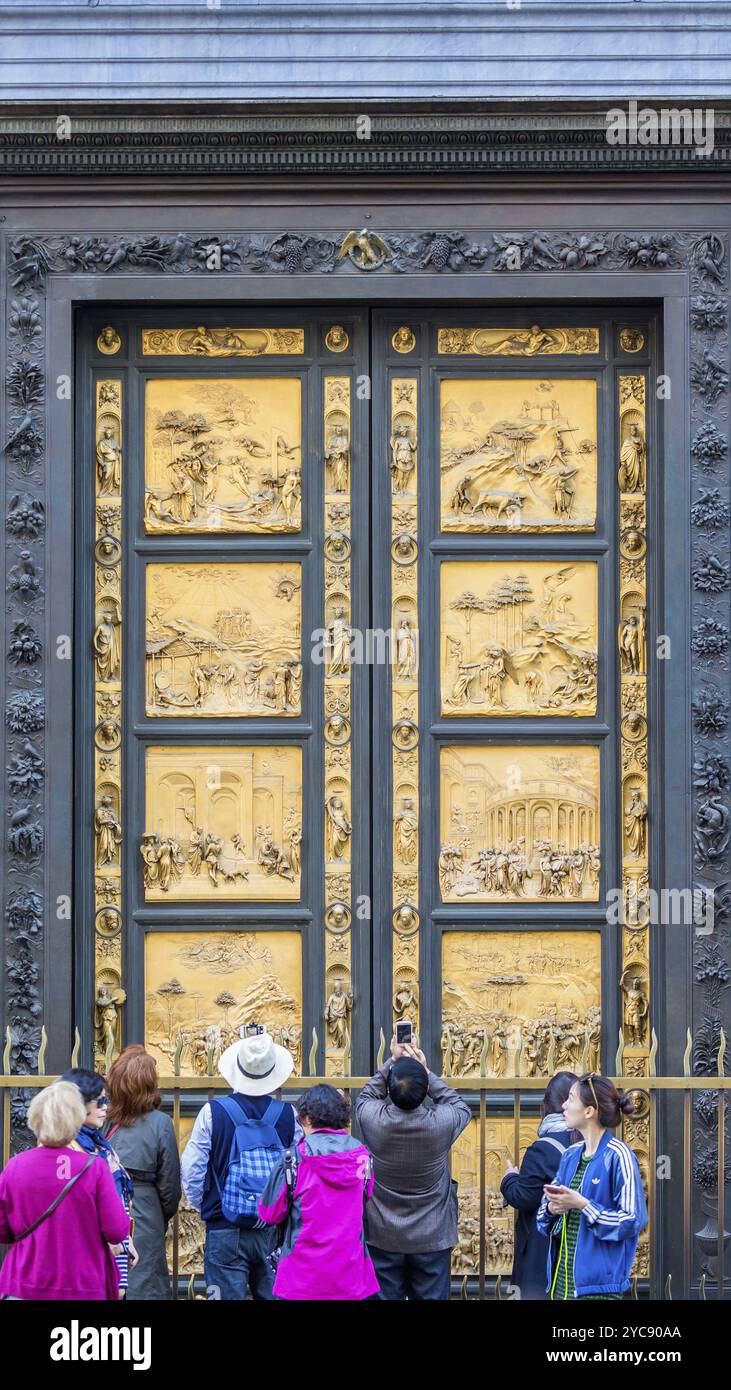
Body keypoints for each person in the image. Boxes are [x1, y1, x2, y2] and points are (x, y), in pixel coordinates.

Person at [181, 1029, 298, 1300]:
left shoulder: (213, 1112)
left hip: (225, 1227)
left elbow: (192, 1169)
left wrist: (208, 1207)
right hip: (273, 1229)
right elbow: (297, 1172)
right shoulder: (288, 1116)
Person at [355, 1037, 471, 1300]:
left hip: (384, 1233)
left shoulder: (375, 1120)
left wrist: (392, 1061)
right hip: (432, 1235)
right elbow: (460, 1106)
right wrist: (426, 1073)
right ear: (424, 1090)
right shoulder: (440, 1124)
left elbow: (365, 1097)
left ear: (390, 1090)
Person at [0, 1081, 130, 1300]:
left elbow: (3, 1229)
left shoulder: (16, 1166)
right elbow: (117, 1230)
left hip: (26, 1282)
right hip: (84, 1284)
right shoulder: (95, 1168)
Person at [258, 1084, 379, 1301]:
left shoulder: (292, 1159)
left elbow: (269, 1213)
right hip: (350, 1276)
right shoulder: (363, 1157)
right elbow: (366, 1196)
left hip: (300, 1278)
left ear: (306, 1118)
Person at [537, 1072, 648, 1300]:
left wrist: (583, 1204)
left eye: (570, 1099)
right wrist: (552, 1209)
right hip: (561, 1287)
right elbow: (542, 1220)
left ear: (589, 1111)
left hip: (599, 1291)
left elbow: (631, 1221)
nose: (564, 1106)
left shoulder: (620, 1155)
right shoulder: (569, 1155)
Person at [106, 1044, 182, 1300]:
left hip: (106, 1204)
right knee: (146, 1284)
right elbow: (170, 1187)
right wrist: (159, 1216)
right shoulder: (161, 1123)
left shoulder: (104, 1119)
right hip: (146, 1212)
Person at [500, 1070, 578, 1299]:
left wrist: (509, 1178)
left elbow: (524, 1197)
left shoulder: (543, 1149)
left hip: (544, 1248)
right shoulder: (591, 1141)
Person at [60, 1066, 137, 1296]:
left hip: (114, 1241)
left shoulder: (99, 1143)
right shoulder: (68, 1146)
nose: (106, 1107)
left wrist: (127, 1240)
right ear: (79, 1104)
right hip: (91, 1247)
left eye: (107, 1100)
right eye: (99, 1101)